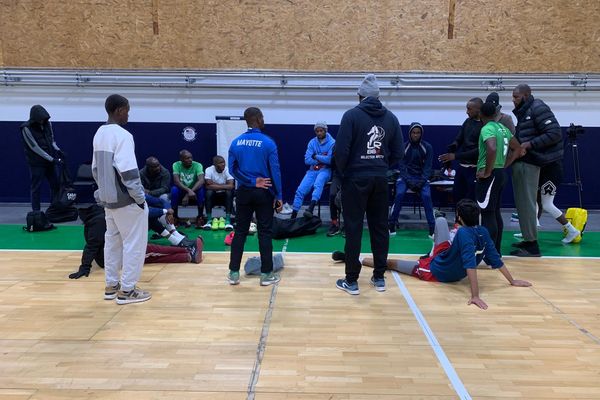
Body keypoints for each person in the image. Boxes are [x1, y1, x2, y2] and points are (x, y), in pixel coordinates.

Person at [333, 199, 532, 309]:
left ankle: (354, 258)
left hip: (436, 270)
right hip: (445, 255)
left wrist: (475, 296)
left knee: (392, 264)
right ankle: (431, 252)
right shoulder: (483, 231)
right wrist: (512, 280)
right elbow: (495, 260)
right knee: (440, 222)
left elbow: (471, 265)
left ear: (460, 217)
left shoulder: (462, 233)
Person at [334, 74, 403, 295]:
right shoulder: (391, 118)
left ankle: (352, 281)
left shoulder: (351, 116)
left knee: (353, 228)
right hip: (380, 178)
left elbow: (341, 151)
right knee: (380, 228)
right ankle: (379, 277)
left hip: (355, 178)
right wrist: (382, 167)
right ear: (378, 96)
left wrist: (345, 172)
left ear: (360, 95)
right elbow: (399, 153)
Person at [92, 94, 151, 305]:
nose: (129, 113)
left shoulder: (99, 133)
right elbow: (128, 172)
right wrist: (140, 199)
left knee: (112, 243)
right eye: (127, 109)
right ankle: (127, 291)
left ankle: (111, 286)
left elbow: (95, 170)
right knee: (134, 245)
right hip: (127, 201)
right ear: (119, 110)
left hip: (108, 202)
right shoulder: (123, 135)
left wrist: (103, 194)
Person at [68, 204, 202, 279]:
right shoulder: (99, 222)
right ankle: (187, 249)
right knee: (150, 251)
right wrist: (84, 267)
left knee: (150, 254)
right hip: (112, 258)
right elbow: (91, 246)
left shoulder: (102, 217)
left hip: (119, 251)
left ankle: (187, 255)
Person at [227, 107, 283, 286]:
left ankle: (234, 273)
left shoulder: (235, 143)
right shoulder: (268, 142)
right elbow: (275, 171)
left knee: (240, 231)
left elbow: (232, 170)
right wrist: (279, 195)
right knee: (264, 232)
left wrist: (250, 181)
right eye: (263, 117)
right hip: (264, 191)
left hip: (243, 191)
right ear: (258, 119)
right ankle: (266, 275)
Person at [510, 84, 563, 257]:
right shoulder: (525, 111)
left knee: (528, 204)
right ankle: (528, 240)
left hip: (536, 162)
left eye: (516, 96)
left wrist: (529, 144)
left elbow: (555, 133)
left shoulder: (538, 107)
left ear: (526, 95)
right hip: (527, 161)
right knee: (524, 205)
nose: (513, 99)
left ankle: (532, 246)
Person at [476, 102, 520, 253]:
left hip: (491, 175)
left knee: (487, 214)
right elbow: (519, 149)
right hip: (500, 173)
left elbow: (492, 147)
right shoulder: (503, 128)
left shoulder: (487, 128)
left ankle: (489, 255)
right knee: (495, 213)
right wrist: (505, 164)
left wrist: (488, 171)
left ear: (481, 114)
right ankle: (496, 252)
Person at [388, 122, 435, 237]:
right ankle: (392, 224)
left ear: (421, 134)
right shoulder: (403, 147)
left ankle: (432, 228)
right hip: (405, 178)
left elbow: (428, 168)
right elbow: (402, 168)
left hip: (421, 178)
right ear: (410, 133)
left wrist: (420, 182)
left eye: (418, 133)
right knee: (399, 194)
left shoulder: (427, 147)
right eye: (413, 133)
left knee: (427, 196)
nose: (415, 135)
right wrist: (409, 182)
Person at [439, 98, 483, 202]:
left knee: (471, 199)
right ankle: (459, 218)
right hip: (462, 168)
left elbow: (479, 151)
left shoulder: (485, 126)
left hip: (475, 168)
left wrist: (455, 156)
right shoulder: (467, 122)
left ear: (478, 109)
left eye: (469, 109)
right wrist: (453, 146)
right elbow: (459, 139)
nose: (467, 112)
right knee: (457, 195)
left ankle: (472, 218)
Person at [20, 105, 63, 211]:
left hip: (50, 162)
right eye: (40, 119)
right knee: (36, 188)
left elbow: (52, 140)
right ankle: (36, 212)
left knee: (55, 185)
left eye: (44, 119)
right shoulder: (26, 128)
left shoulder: (48, 124)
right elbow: (34, 147)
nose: (42, 121)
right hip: (36, 163)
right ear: (35, 117)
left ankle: (54, 209)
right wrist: (52, 159)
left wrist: (58, 150)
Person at [290, 122, 335, 219]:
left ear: (325, 130)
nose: (319, 133)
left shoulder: (332, 142)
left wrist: (315, 156)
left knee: (318, 183)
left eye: (321, 130)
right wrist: (322, 158)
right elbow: (307, 160)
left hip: (325, 170)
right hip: (312, 170)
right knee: (300, 190)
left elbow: (330, 160)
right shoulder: (312, 142)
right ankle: (293, 217)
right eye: (317, 131)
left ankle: (310, 209)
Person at [170, 150, 205, 227]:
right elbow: (176, 181)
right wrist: (188, 191)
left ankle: (200, 217)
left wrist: (189, 193)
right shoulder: (176, 165)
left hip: (194, 189)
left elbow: (201, 180)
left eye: (191, 157)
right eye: (187, 158)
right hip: (182, 189)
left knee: (201, 190)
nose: (190, 160)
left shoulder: (197, 165)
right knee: (174, 190)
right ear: (181, 159)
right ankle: (175, 217)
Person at [201, 155, 235, 231]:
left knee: (229, 192)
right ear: (215, 164)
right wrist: (224, 185)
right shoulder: (209, 170)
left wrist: (214, 185)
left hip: (224, 195)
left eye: (224, 162)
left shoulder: (227, 170)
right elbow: (207, 186)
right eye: (220, 162)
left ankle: (228, 220)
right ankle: (209, 220)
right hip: (213, 196)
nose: (223, 164)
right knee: (208, 192)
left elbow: (231, 186)